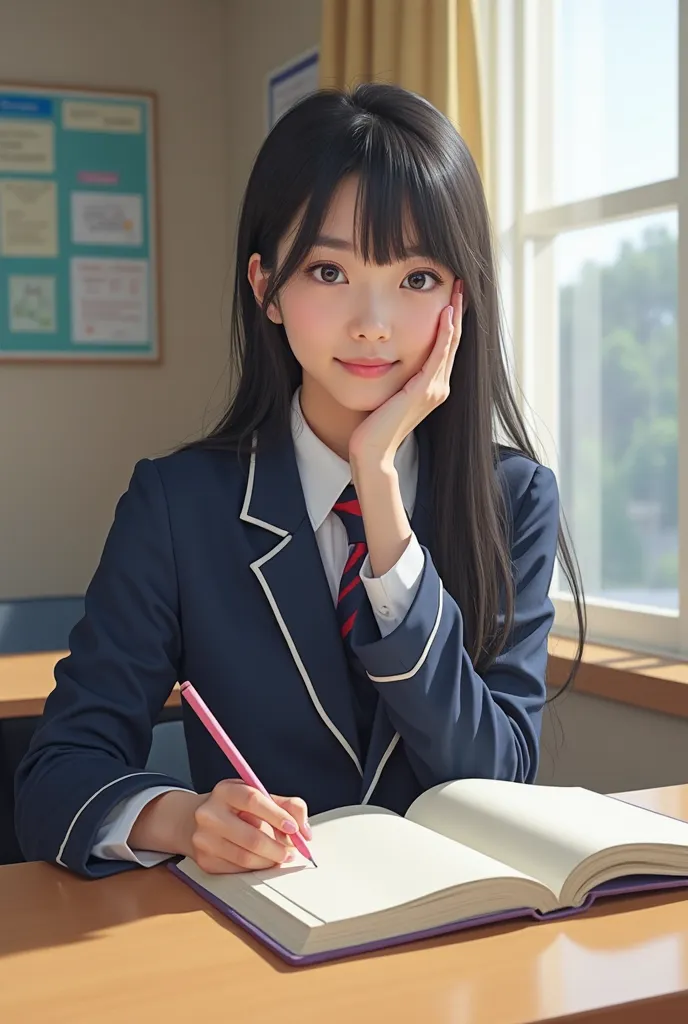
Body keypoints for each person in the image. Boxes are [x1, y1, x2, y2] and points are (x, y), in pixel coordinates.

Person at [15, 83, 586, 880]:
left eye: (417, 277)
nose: (373, 321)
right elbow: (55, 777)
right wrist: (184, 819)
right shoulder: (178, 506)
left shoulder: (514, 499)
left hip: (455, 944)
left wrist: (379, 493)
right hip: (263, 944)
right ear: (266, 287)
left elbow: (499, 779)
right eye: (329, 270)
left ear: (462, 297)